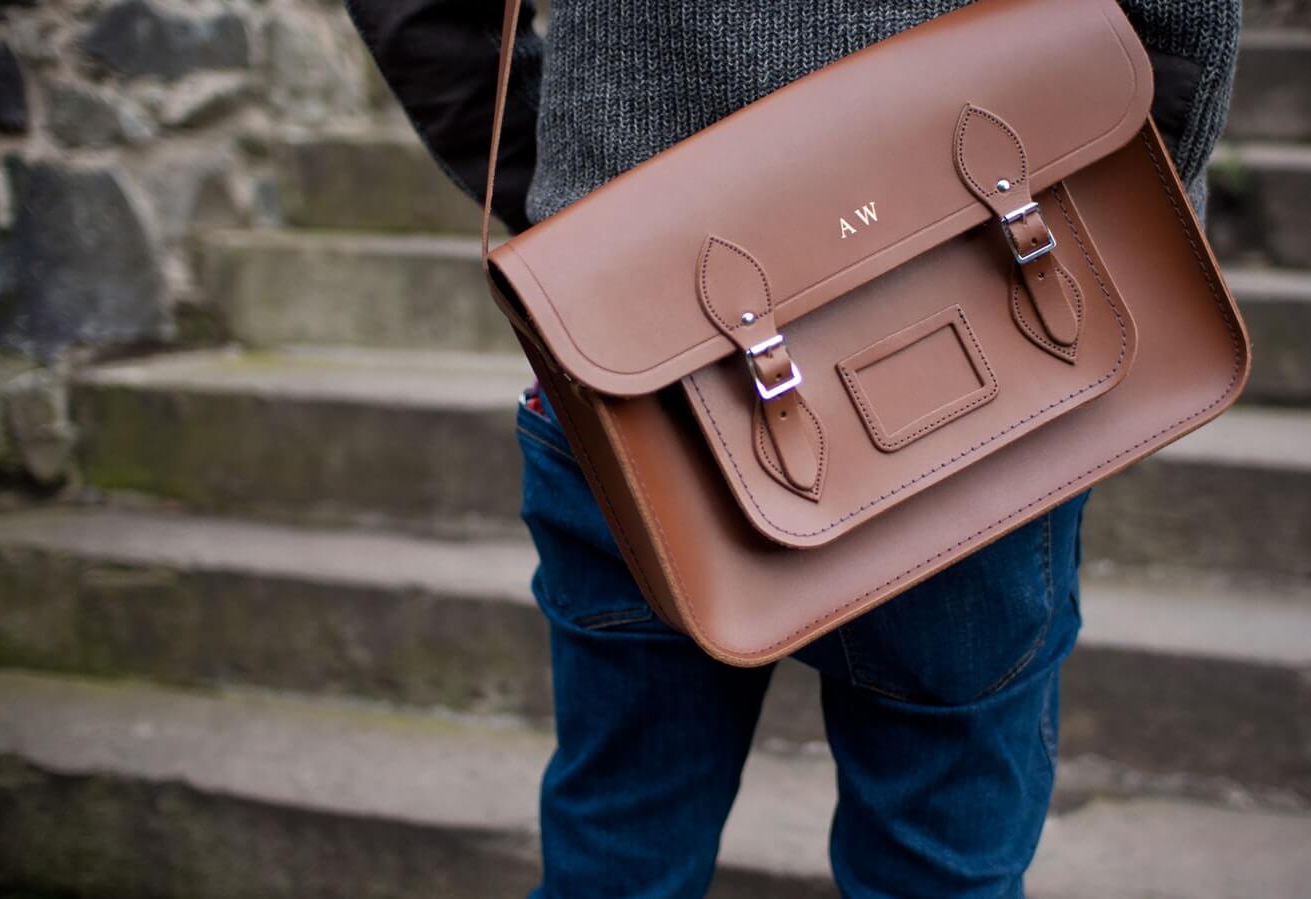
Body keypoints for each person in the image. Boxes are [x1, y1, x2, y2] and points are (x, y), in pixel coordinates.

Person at [344, 2, 1242, 895]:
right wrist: (1097, 185)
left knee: (619, 851)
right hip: (971, 331)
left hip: (637, 350)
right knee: (935, 871)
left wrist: (578, 207)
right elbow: (1181, 21)